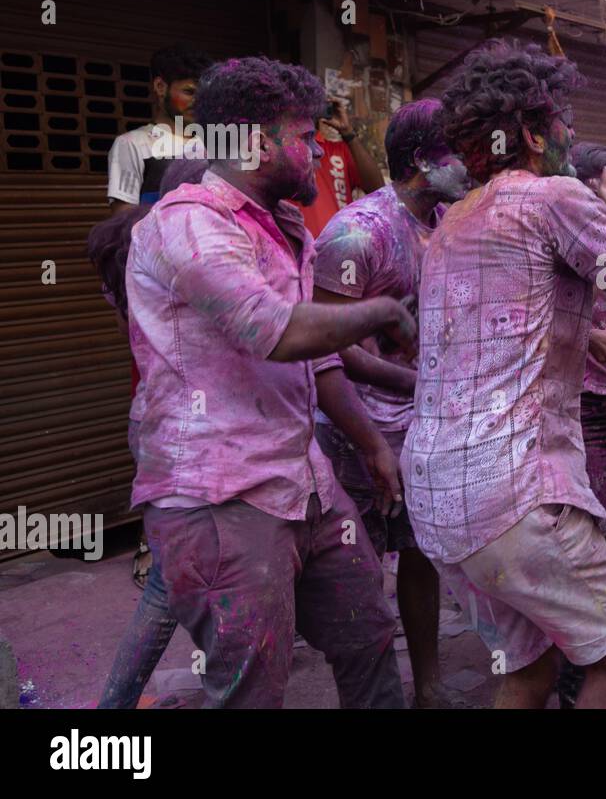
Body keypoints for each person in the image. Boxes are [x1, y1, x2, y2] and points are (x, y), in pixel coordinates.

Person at [127, 56, 417, 708]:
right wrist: (384, 311)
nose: (318, 151)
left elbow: (315, 358)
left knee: (369, 635)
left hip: (305, 486)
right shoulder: (189, 225)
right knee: (251, 688)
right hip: (220, 500)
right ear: (258, 142)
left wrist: (372, 443)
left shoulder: (283, 226)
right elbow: (277, 329)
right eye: (307, 136)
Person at [400, 41, 606, 709]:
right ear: (530, 132)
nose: (571, 133)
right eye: (562, 120)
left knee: (527, 668)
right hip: (515, 491)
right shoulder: (551, 195)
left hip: (438, 499)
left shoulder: (453, 223)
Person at [311, 98, 471, 708]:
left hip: (419, 427)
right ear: (423, 161)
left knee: (422, 555)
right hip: (355, 428)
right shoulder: (355, 233)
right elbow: (335, 351)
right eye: (459, 152)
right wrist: (424, 385)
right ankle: (373, 693)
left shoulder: (448, 225)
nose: (473, 165)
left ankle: (428, 686)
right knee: (359, 569)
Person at [90, 158, 207, 710]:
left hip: (152, 415)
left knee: (201, 571)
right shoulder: (181, 255)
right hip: (181, 427)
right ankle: (115, 708)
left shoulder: (129, 249)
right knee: (170, 581)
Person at [107, 45, 212, 214]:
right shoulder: (131, 144)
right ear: (160, 86)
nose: (198, 101)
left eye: (203, 95)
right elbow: (123, 215)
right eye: (189, 92)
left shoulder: (213, 143)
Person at [296, 97, 387, 237]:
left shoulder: (338, 151)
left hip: (338, 250)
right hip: (292, 253)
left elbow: (377, 189)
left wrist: (348, 133)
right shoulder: (280, 148)